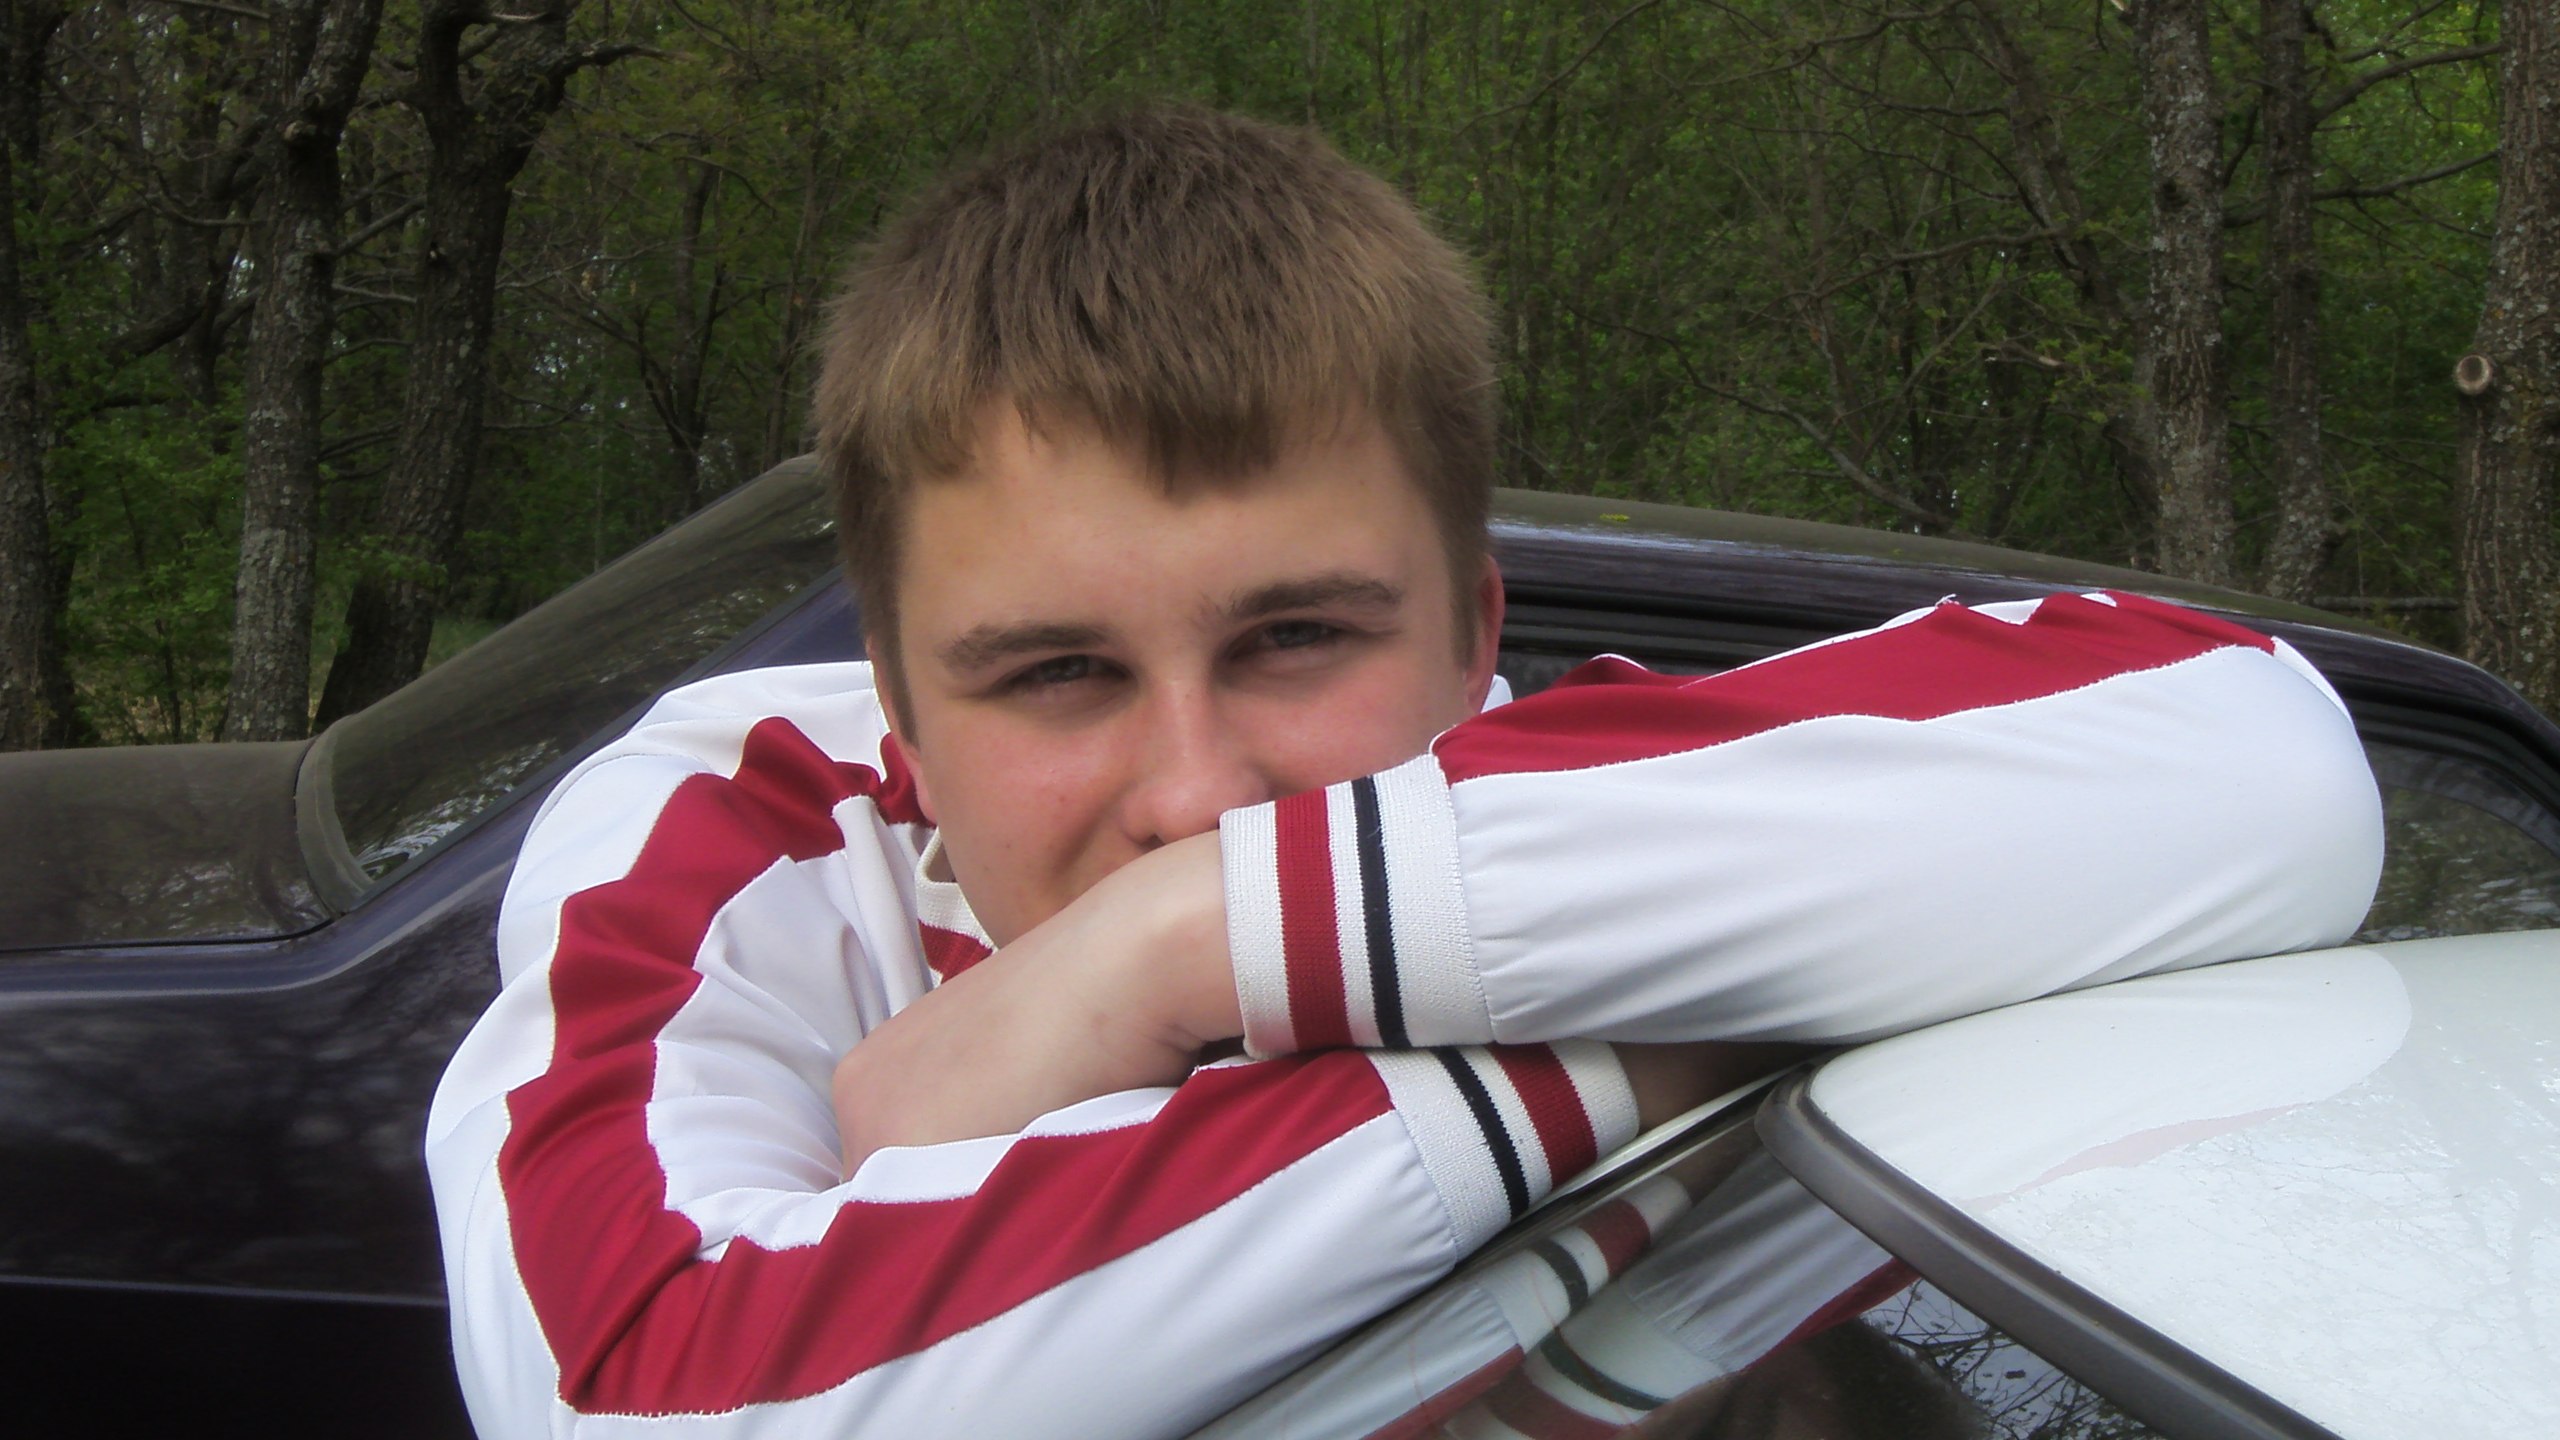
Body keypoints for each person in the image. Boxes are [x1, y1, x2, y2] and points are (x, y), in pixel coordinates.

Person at [425, 104, 2384, 1439]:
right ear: (896, 707)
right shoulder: (727, 837)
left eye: (1296, 639)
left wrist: (1173, 946)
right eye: (1053, 675)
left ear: (1471, 640)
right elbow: (644, 1392)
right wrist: (1686, 1049)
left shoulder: (1550, 789)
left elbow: (2267, 755)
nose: (1195, 793)